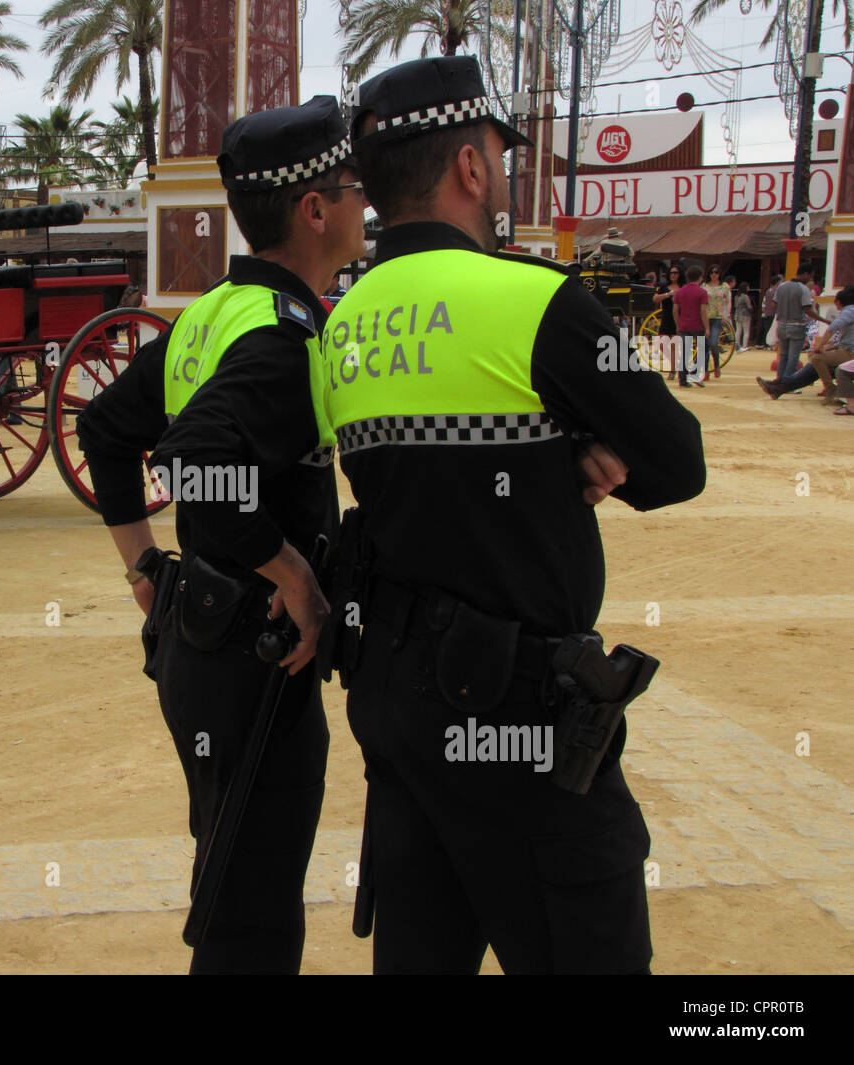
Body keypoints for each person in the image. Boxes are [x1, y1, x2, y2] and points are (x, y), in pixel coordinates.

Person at [321, 55, 705, 975]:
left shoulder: (345, 322)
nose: (502, 168)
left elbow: (429, 471)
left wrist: (545, 442)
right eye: (498, 150)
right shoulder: (534, 300)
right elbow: (675, 461)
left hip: (397, 704)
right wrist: (573, 438)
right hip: (520, 717)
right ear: (469, 166)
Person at [76, 96, 367, 974]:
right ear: (314, 209)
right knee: (253, 919)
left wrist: (142, 572)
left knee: (236, 882)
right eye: (353, 189)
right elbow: (195, 453)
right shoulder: (281, 339)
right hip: (252, 665)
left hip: (200, 646)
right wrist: (291, 574)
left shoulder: (213, 311)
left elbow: (105, 430)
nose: (366, 205)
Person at [756, 285, 854, 402]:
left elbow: (833, 328)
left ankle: (829, 389)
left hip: (849, 352)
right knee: (813, 365)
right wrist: (829, 347)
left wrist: (820, 346)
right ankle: (779, 385)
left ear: (839, 302)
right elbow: (843, 339)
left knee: (815, 360)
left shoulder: (849, 311)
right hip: (845, 350)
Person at [773, 263, 827, 381]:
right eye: (810, 276)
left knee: (783, 355)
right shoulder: (803, 289)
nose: (810, 279)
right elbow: (807, 310)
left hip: (782, 325)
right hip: (797, 326)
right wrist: (824, 320)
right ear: (805, 274)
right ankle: (788, 383)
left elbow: (774, 305)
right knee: (793, 357)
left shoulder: (782, 286)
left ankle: (780, 379)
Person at [672, 264, 709, 387]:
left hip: (684, 325)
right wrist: (707, 327)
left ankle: (682, 380)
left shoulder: (680, 292)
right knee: (703, 350)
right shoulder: (702, 292)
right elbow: (703, 311)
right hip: (697, 325)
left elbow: (675, 310)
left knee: (685, 353)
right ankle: (695, 373)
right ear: (700, 278)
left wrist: (678, 324)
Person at [651, 263, 681, 379]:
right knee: (661, 343)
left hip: (678, 317)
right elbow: (655, 299)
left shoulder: (683, 286)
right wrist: (668, 294)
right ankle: (674, 365)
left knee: (674, 345)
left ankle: (672, 370)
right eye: (671, 273)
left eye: (676, 273)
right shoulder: (664, 287)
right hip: (666, 316)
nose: (673, 275)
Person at [704, 265, 730, 378]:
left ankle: (716, 365)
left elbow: (728, 302)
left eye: (716, 272)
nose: (714, 274)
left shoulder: (725, 286)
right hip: (705, 317)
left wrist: (726, 315)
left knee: (713, 343)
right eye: (712, 272)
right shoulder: (704, 286)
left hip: (717, 318)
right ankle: (705, 371)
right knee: (704, 344)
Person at [759, 273, 782, 350]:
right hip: (773, 312)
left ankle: (766, 344)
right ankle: (769, 344)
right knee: (771, 329)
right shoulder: (777, 290)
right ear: (777, 282)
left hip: (767, 312)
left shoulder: (768, 290)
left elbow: (765, 302)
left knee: (767, 329)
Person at [733, 278, 753, 350]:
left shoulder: (736, 296)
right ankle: (745, 345)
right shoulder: (745, 296)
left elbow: (735, 305)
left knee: (738, 330)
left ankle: (737, 345)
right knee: (746, 331)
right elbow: (749, 306)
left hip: (737, 314)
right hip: (745, 315)